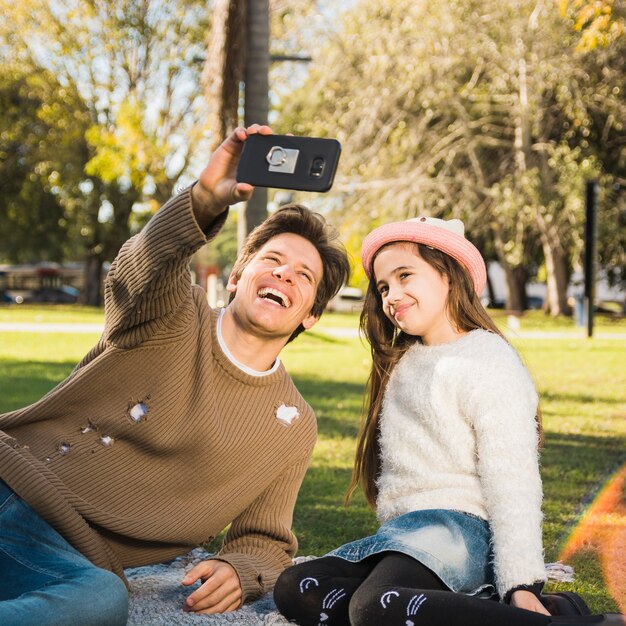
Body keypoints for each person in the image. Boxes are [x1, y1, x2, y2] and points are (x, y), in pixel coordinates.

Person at [0, 124, 350, 626]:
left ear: (310, 314)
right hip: (10, 475)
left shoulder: (292, 425)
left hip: (61, 554)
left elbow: (265, 540)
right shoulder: (173, 312)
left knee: (101, 602)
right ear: (236, 277)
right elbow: (136, 271)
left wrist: (242, 568)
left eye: (303, 275)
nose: (283, 275)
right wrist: (205, 199)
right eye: (272, 260)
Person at [273, 216, 625, 626]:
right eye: (384, 286)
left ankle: (555, 624)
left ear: (451, 277)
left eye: (406, 276)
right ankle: (500, 609)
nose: (392, 295)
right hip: (406, 537)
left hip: (460, 532)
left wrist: (521, 585)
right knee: (296, 587)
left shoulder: (489, 360)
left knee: (372, 608)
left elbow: (513, 480)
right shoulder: (404, 362)